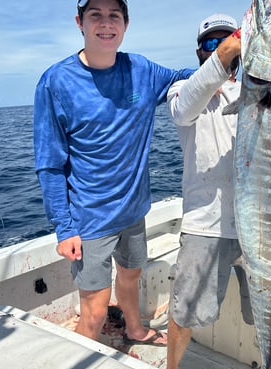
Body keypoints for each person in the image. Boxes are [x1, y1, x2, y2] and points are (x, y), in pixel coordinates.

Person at [33, 0, 194, 345]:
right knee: (94, 311)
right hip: (89, 222)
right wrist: (64, 228)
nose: (106, 24)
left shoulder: (142, 70)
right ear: (80, 21)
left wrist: (231, 62)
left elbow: (184, 78)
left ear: (126, 23)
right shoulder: (55, 82)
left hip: (134, 212)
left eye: (114, 16)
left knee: (131, 276)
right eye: (96, 15)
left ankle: (135, 329)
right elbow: (49, 164)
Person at [166, 14, 253, 369]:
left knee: (267, 313)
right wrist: (223, 58)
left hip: (260, 225)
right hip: (207, 226)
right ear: (200, 51)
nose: (220, 48)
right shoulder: (184, 91)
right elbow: (184, 108)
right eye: (211, 44)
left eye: (227, 41)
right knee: (184, 311)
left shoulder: (256, 91)